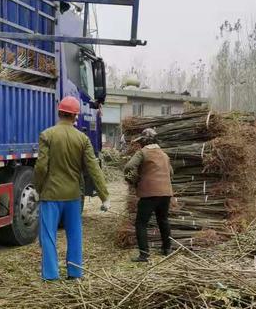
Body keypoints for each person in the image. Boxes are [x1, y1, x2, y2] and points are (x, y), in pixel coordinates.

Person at [34, 96, 110, 281]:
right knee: (75, 235)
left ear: (59, 112)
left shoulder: (47, 135)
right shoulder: (82, 139)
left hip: (51, 195)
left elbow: (41, 167)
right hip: (74, 196)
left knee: (49, 236)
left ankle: (51, 275)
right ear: (76, 116)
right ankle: (75, 273)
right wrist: (104, 196)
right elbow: (94, 168)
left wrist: (38, 188)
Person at [124, 127, 173, 262]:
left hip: (149, 193)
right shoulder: (164, 154)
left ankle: (144, 254)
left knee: (141, 223)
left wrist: (135, 179)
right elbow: (171, 173)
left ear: (144, 141)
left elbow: (129, 167)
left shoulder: (143, 152)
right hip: (166, 193)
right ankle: (167, 249)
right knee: (163, 220)